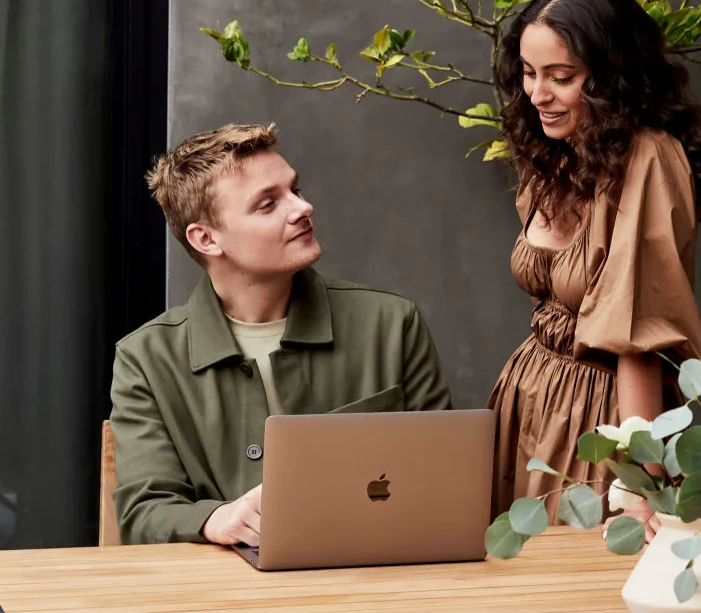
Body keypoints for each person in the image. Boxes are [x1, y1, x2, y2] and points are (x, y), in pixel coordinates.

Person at [110, 123, 452, 545]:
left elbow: (446, 482)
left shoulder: (392, 324)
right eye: (267, 204)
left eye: (296, 190)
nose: (302, 208)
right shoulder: (145, 359)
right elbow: (145, 513)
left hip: (370, 577)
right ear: (206, 238)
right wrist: (216, 519)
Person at [487, 0, 701, 530]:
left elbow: (638, 338)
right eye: (528, 73)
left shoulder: (649, 159)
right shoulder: (558, 152)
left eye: (560, 78)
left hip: (599, 420)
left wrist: (641, 484)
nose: (537, 94)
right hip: (527, 402)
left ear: (611, 77)